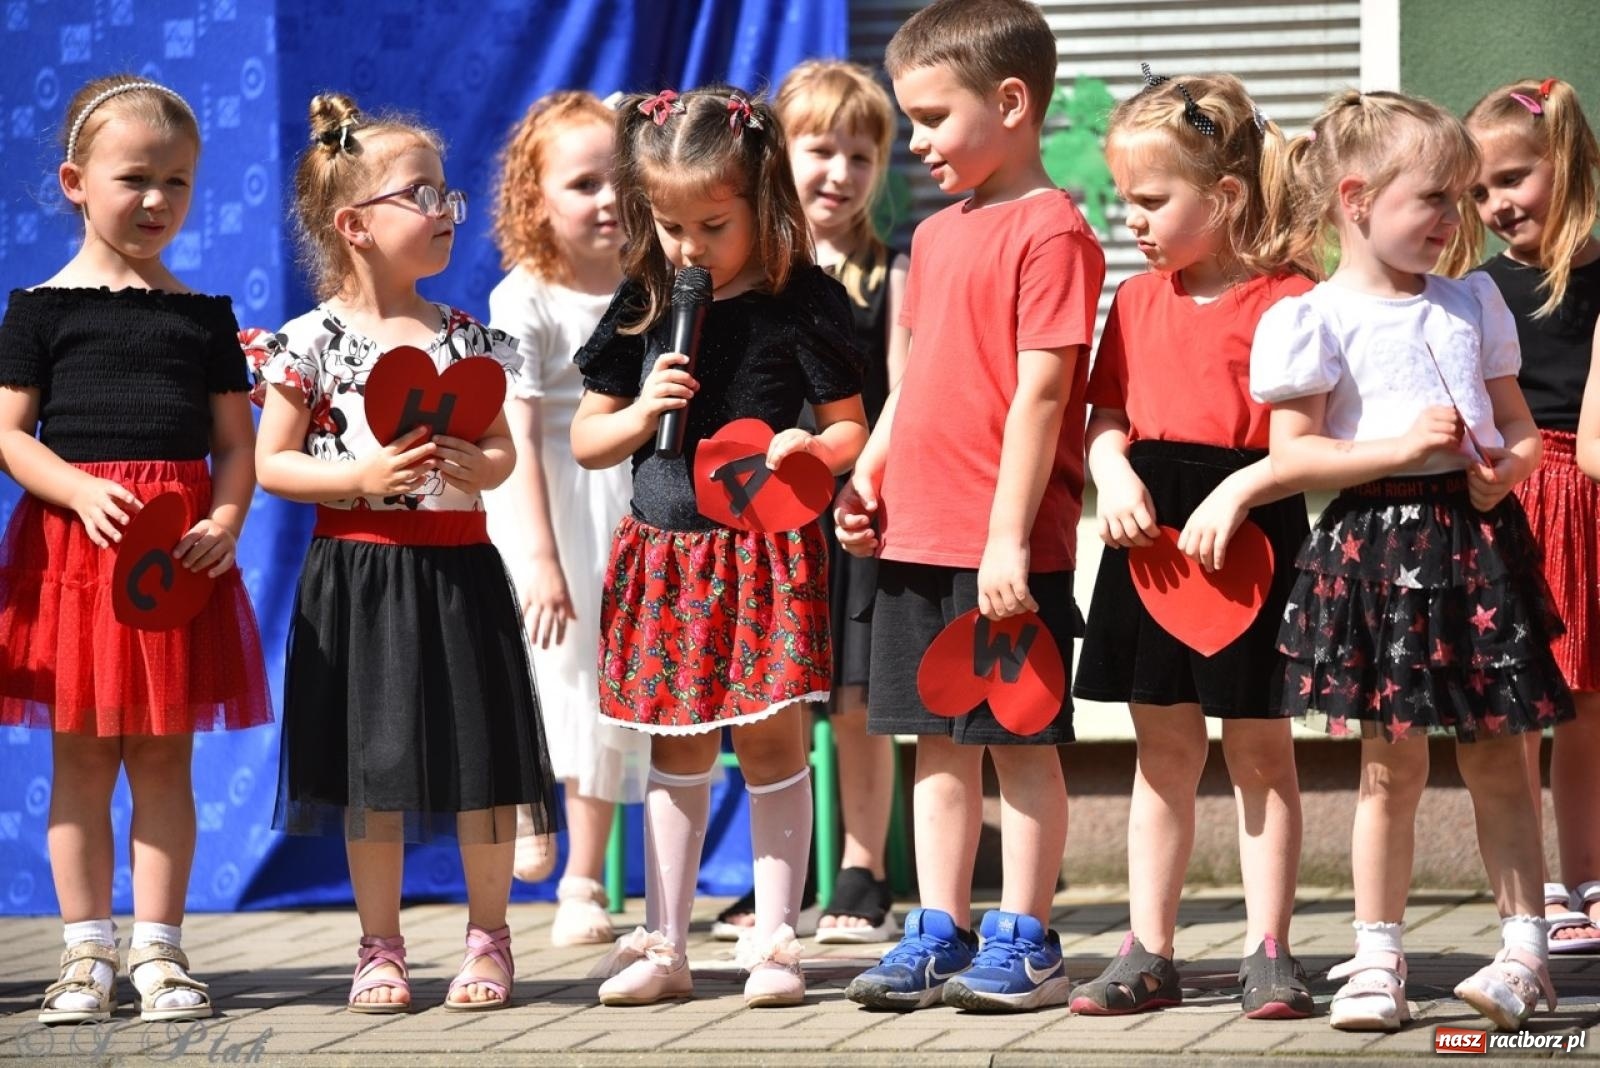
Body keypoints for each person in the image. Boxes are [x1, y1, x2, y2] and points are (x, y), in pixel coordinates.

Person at [1250, 89, 1574, 1032]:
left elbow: (1519, 431)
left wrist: (1503, 472)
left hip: (1474, 548)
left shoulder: (1472, 302)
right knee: (1388, 769)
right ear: (1357, 198)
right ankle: (1377, 957)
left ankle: (1526, 953)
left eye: (1463, 196)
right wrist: (1394, 451)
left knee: (1502, 761)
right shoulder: (1315, 317)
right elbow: (1292, 458)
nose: (1454, 218)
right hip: (1376, 550)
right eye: (1435, 197)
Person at [251, 92, 559, 1014]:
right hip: (359, 579)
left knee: (483, 766)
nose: (444, 211)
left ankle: (490, 938)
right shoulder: (307, 344)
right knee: (372, 772)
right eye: (420, 195)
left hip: (459, 571)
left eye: (447, 196)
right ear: (354, 224)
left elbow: (505, 452)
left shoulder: (467, 338)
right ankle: (378, 946)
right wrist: (361, 471)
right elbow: (273, 465)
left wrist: (482, 460)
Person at [571, 85, 867, 1009]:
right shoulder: (646, 299)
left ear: (762, 200)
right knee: (679, 744)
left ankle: (776, 939)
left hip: (765, 551)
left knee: (775, 742)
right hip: (668, 550)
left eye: (713, 223)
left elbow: (853, 429)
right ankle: (664, 940)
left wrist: (810, 449)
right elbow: (587, 436)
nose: (690, 248)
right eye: (670, 226)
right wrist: (641, 412)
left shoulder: (800, 300)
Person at [836, 0, 1106, 1013]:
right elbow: (915, 378)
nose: (917, 143)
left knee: (1018, 745)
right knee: (933, 742)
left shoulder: (1055, 232)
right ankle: (936, 929)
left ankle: (1028, 940)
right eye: (909, 121)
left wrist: (1006, 540)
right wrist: (870, 471)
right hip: (917, 533)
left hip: (1005, 550)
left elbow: (1042, 392)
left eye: (932, 118)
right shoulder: (935, 236)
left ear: (1010, 102)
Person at [0, 74, 271, 1024]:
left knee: (162, 762)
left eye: (180, 182)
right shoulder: (38, 308)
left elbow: (237, 446)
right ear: (77, 181)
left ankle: (159, 952)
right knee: (80, 762)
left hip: (173, 567)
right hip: (76, 561)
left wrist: (226, 522)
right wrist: (76, 489)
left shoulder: (203, 317)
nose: (158, 201)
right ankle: (84, 956)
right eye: (135, 178)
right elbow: (8, 433)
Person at [1069, 68, 1317, 1020]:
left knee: (1262, 749)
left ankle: (1269, 951)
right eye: (1123, 199)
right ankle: (1148, 949)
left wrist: (1245, 496)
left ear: (1224, 197)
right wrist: (1115, 474)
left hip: (1253, 530)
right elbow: (1107, 417)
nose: (1128, 218)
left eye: (1148, 200)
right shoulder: (1134, 302)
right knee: (1161, 749)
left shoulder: (1292, 299)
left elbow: (1304, 445)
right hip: (1154, 542)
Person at [706, 59, 911, 948]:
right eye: (820, 149)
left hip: (855, 511)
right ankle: (774, 879)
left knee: (860, 701)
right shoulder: (745, 273)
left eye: (861, 156)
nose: (839, 172)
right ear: (775, 156)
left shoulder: (888, 272)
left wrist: (863, 486)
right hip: (762, 517)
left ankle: (864, 873)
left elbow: (901, 393)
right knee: (773, 697)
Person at [483, 89, 649, 945]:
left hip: (625, 510)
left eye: (619, 178)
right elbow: (509, 435)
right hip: (538, 507)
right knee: (540, 678)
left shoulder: (644, 289)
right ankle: (524, 807)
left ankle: (584, 882)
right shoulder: (524, 301)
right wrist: (541, 558)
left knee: (608, 694)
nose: (609, 199)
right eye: (583, 183)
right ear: (535, 198)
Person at [1448, 77, 1600, 954]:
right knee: (1516, 706)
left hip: (1592, 500)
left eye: (1512, 179)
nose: (1497, 205)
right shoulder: (1478, 292)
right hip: (1515, 496)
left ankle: (1587, 875)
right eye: (1478, 190)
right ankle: (1532, 890)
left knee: (1586, 706)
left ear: (1568, 161)